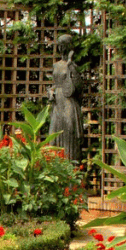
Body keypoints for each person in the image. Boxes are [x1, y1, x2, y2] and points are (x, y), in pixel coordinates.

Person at [49, 34, 83, 163]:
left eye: (63, 45)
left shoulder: (73, 66)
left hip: (69, 102)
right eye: (59, 44)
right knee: (54, 133)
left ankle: (71, 166)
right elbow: (55, 84)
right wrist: (50, 92)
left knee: (70, 131)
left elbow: (78, 87)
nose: (60, 48)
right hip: (57, 103)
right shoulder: (55, 65)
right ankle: (55, 165)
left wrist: (70, 66)